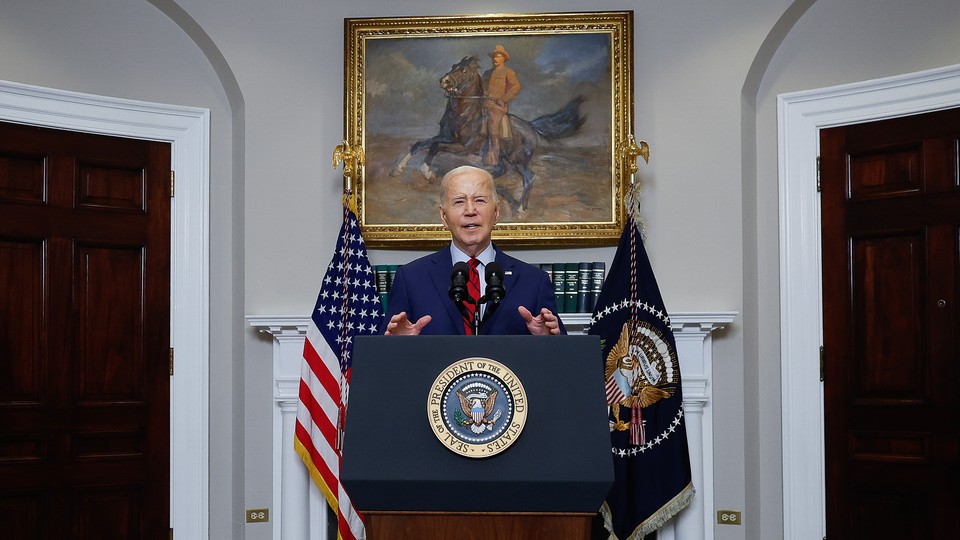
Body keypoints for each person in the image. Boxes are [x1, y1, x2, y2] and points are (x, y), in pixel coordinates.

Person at [379, 165, 563, 336]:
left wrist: (547, 342)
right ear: (443, 216)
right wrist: (398, 345)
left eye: (480, 200)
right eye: (459, 202)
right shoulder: (411, 278)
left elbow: (567, 359)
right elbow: (381, 359)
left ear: (497, 212)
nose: (470, 211)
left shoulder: (534, 281)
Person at [482, 44, 521, 166]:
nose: (495, 59)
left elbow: (516, 87)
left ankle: (494, 156)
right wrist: (484, 93)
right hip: (484, 104)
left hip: (498, 107)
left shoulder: (508, 72)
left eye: (498, 57)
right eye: (494, 57)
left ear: (504, 58)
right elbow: (483, 87)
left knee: (493, 124)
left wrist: (503, 99)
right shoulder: (487, 73)